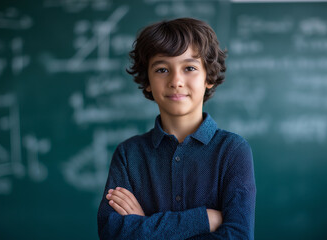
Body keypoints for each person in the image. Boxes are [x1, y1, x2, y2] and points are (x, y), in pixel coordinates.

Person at [97, 18, 256, 239]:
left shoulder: (233, 151)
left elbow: (238, 236)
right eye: (162, 69)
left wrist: (144, 226)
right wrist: (204, 220)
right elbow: (113, 233)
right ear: (148, 82)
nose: (176, 80)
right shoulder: (128, 155)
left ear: (208, 77)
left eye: (189, 68)